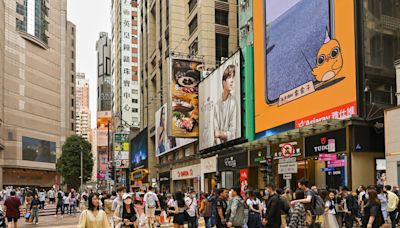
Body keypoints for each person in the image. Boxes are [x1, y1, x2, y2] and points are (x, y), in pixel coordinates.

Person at [213, 64, 238, 145]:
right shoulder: (217, 105)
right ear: (223, 82)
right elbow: (215, 132)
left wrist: (220, 134)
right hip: (217, 147)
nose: (232, 80)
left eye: (233, 78)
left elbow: (233, 133)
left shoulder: (233, 103)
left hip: (231, 146)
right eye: (229, 77)